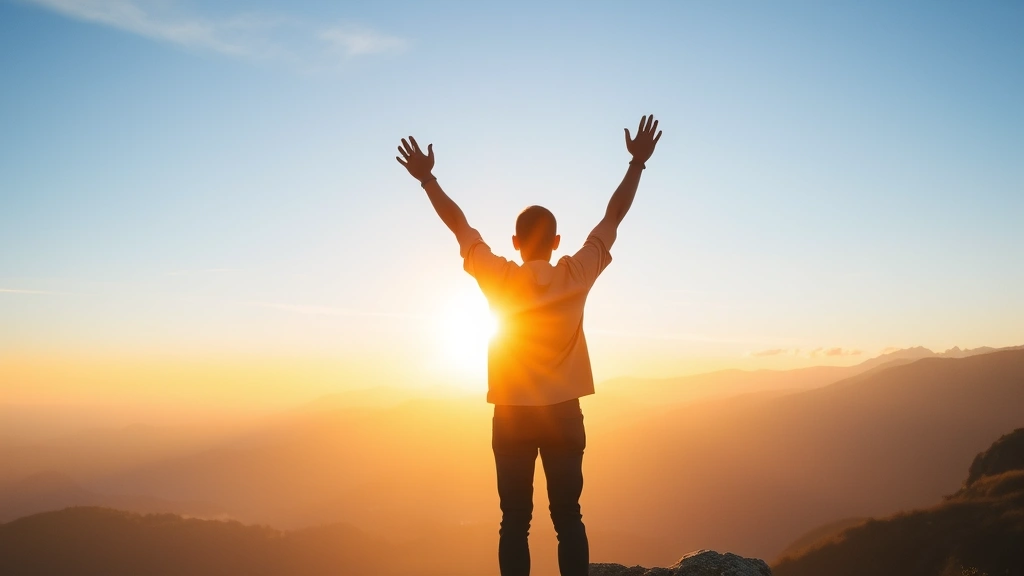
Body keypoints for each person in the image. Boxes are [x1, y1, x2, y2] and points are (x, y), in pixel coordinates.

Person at [396, 115, 663, 576]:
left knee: (514, 522)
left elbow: (459, 226)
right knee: (568, 519)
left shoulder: (499, 278)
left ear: (515, 243)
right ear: (557, 242)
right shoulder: (576, 275)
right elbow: (613, 217)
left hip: (512, 413)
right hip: (563, 413)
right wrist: (636, 164)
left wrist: (427, 180)